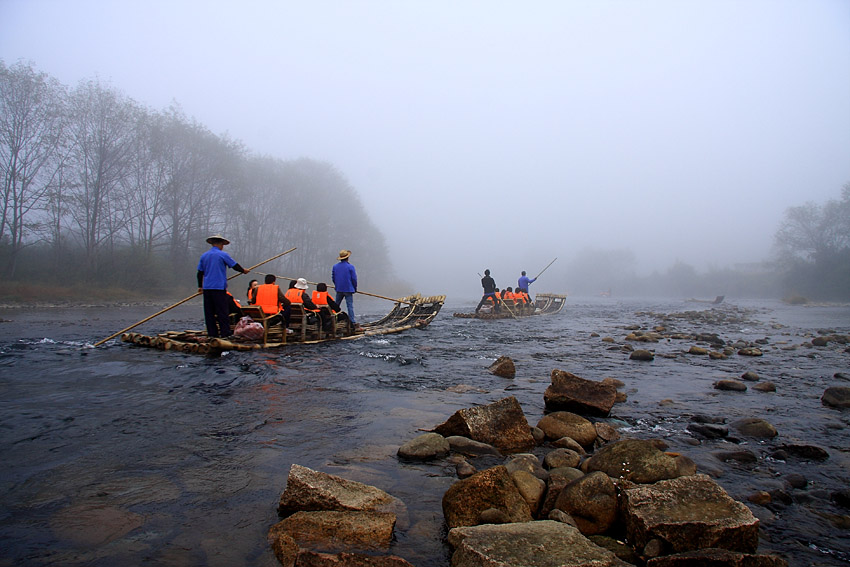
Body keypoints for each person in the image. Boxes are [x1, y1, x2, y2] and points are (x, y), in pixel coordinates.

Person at [197, 234, 249, 338]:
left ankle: (212, 334)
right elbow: (234, 265)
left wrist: (200, 286)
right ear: (220, 244)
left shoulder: (204, 256)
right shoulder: (222, 255)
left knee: (209, 313)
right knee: (222, 311)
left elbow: (199, 272)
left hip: (207, 288)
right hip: (218, 288)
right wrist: (243, 271)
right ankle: (225, 333)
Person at [332, 249, 359, 328]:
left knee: (336, 305)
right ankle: (352, 322)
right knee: (349, 306)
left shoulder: (335, 266)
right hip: (348, 289)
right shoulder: (350, 267)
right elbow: (354, 279)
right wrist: (355, 287)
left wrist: (337, 285)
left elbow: (333, 278)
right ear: (347, 258)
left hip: (339, 288)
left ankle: (333, 319)